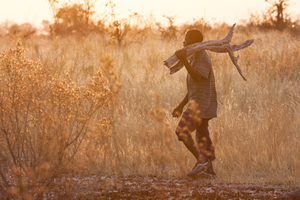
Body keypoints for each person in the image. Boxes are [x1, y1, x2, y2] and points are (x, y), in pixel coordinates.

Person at [173, 30, 218, 179]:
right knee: (202, 136)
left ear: (195, 42)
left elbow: (198, 77)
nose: (184, 43)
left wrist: (184, 60)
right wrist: (180, 105)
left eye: (187, 40)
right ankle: (209, 170)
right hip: (195, 102)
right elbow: (193, 88)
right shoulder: (194, 57)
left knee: (182, 133)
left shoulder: (202, 57)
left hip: (201, 104)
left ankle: (201, 161)